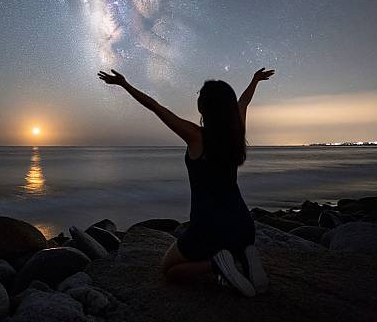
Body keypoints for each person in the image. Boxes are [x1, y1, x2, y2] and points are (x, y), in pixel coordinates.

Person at [97, 66, 274, 296]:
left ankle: (217, 264)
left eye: (201, 96)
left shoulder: (196, 136)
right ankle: (245, 255)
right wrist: (255, 80)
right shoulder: (236, 134)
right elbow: (244, 102)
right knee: (233, 242)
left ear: (204, 107)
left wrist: (124, 84)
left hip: (208, 229)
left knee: (168, 270)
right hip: (243, 224)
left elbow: (156, 108)